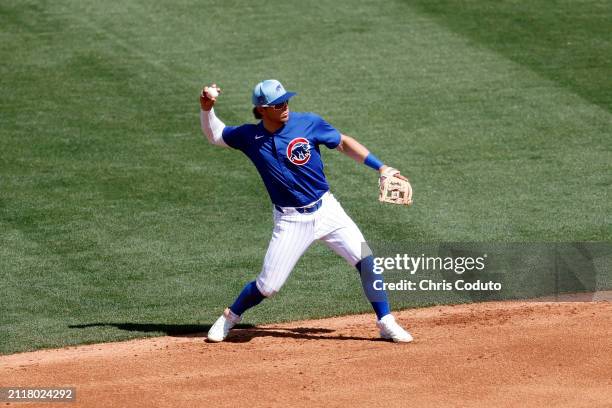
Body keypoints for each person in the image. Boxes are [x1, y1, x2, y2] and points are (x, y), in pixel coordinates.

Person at [199, 79, 413, 343]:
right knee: (268, 287)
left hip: (327, 209)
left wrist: (381, 168)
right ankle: (230, 317)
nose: (285, 106)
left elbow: (343, 142)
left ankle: (386, 321)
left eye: (286, 100)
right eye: (278, 104)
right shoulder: (249, 137)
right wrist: (207, 109)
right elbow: (216, 135)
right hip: (291, 220)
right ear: (262, 109)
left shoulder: (308, 123)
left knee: (366, 259)